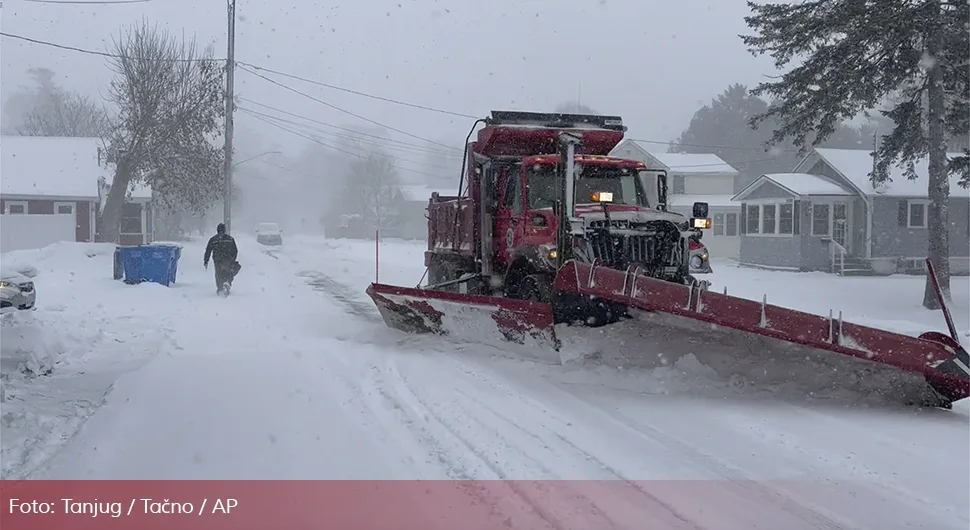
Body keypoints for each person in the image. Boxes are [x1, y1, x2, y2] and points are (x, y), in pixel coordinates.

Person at [204, 223, 240, 295]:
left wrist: (206, 260)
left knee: (218, 274)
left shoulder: (213, 239)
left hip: (217, 260)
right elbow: (235, 250)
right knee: (229, 272)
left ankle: (220, 288)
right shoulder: (230, 239)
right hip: (228, 259)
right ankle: (228, 282)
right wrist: (232, 258)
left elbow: (208, 250)